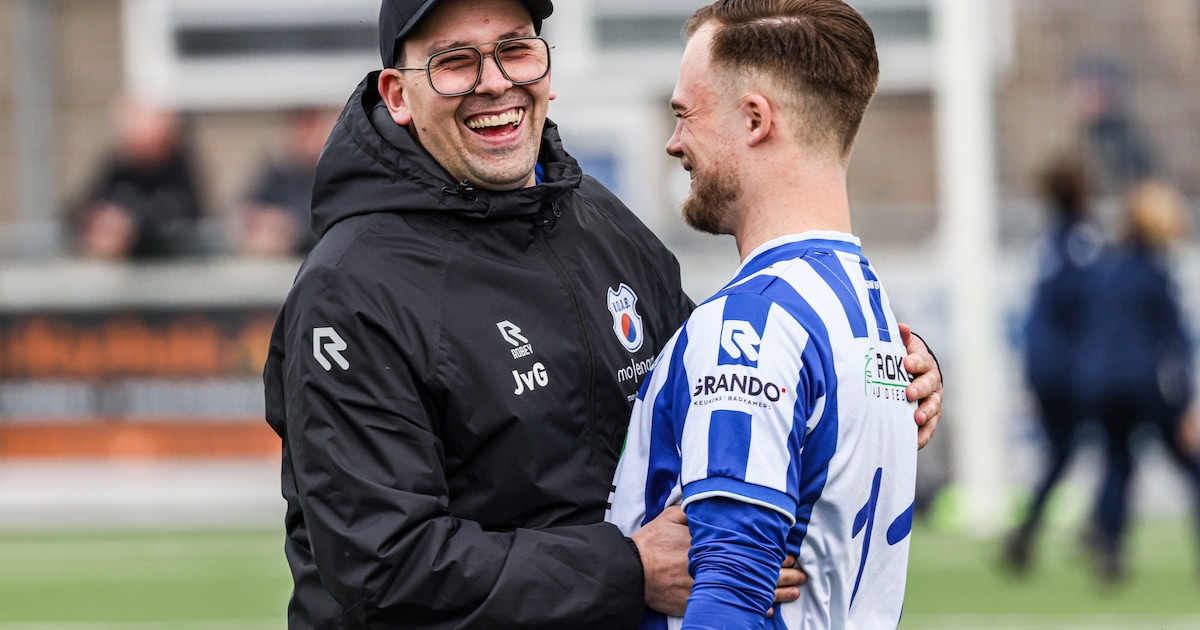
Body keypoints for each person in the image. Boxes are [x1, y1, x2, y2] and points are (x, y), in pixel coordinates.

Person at [263, 0, 944, 627]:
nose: (495, 82)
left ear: (546, 67)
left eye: (516, 50)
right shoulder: (349, 289)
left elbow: (707, 383)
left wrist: (890, 375)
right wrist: (628, 570)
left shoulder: (598, 222)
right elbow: (385, 565)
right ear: (397, 95)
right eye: (455, 62)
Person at [607, 1, 918, 627]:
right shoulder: (871, 310)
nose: (674, 143)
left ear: (754, 119)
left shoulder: (751, 322)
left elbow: (731, 586)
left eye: (684, 114)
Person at [1074, 179, 1198, 583]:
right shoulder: (1154, 276)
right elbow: (1172, 344)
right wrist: (1185, 405)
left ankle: (1109, 543)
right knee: (1190, 464)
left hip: (1104, 385)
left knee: (1117, 462)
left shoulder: (1105, 269)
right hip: (1145, 383)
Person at [1003, 157, 1106, 573]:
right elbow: (1081, 301)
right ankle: (1103, 529)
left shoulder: (1047, 240)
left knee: (1061, 452)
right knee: (1118, 440)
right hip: (1072, 366)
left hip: (1043, 363)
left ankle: (1028, 532)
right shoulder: (1083, 239)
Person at [69, 96, 207, 259]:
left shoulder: (179, 172)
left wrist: (132, 227)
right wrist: (99, 223)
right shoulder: (117, 168)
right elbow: (82, 209)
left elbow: (185, 216)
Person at [237, 107, 339, 257]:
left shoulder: (336, 176)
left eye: (311, 127)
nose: (305, 135)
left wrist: (291, 227)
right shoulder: (278, 174)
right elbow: (247, 211)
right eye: (301, 127)